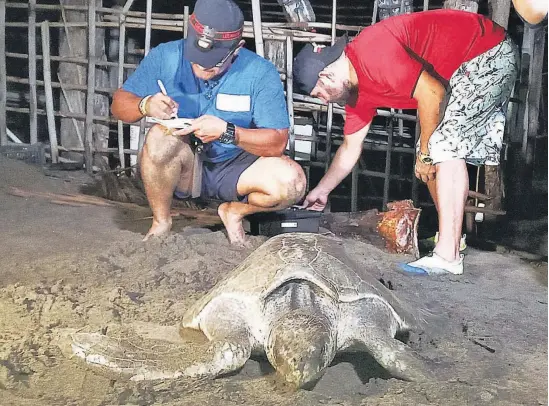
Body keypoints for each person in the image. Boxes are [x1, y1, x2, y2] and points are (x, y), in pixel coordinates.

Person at [293, 9, 519, 275]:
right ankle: (452, 239)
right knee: (433, 150)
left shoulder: (372, 52)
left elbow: (432, 92)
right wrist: (322, 190)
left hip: (488, 51)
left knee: (440, 147)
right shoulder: (355, 91)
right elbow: (350, 146)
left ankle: (448, 256)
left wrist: (425, 155)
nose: (322, 100)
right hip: (458, 71)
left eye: (319, 93)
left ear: (326, 75)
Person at [111, 0, 306, 246]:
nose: (202, 67)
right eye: (195, 58)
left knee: (292, 182)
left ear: (237, 49)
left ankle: (234, 211)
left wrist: (228, 133)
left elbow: (277, 142)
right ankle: (161, 221)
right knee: (159, 137)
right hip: (187, 164)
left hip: (237, 167)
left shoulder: (259, 73)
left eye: (212, 62)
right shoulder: (166, 56)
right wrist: (145, 104)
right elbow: (119, 105)